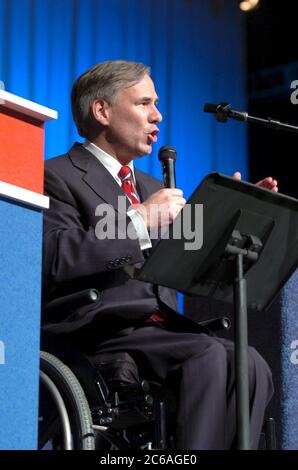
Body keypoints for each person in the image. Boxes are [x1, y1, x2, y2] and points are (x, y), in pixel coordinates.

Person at [42, 60, 276, 450]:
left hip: (164, 328)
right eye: (144, 103)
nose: (158, 115)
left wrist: (236, 215)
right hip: (102, 328)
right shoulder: (59, 175)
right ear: (102, 111)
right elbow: (58, 256)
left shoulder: (151, 185)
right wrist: (138, 221)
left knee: (250, 362)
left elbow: (194, 259)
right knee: (209, 358)